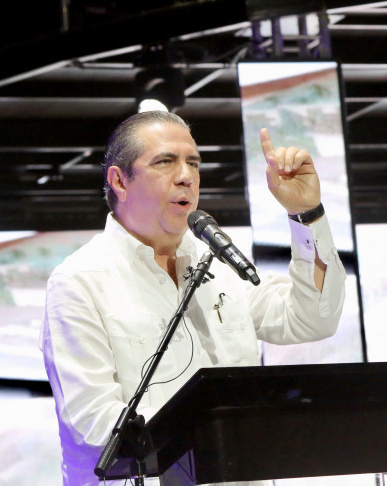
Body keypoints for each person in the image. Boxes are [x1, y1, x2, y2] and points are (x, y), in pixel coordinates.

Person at [40, 110, 347, 486]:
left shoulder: (218, 261)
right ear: (119, 180)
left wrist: (306, 213)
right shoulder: (79, 281)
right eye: (165, 162)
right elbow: (93, 419)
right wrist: (215, 440)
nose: (186, 175)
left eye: (194, 163)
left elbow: (314, 318)